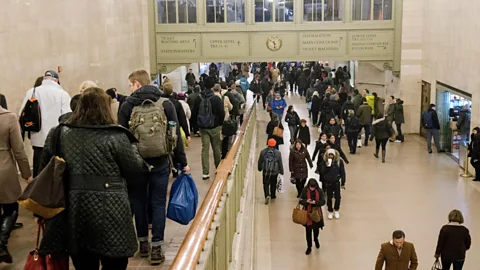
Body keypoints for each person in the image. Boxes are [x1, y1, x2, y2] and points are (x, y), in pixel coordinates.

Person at [39, 87, 147, 269]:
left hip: (74, 210)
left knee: (83, 263)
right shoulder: (117, 135)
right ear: (106, 108)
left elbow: (44, 174)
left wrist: (40, 211)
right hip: (113, 211)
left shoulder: (58, 133)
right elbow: (137, 171)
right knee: (115, 263)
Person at [118, 69, 190, 264]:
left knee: (139, 202)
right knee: (158, 203)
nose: (130, 88)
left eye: (131, 84)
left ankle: (143, 243)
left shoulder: (126, 106)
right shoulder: (165, 103)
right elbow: (174, 137)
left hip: (136, 163)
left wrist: (122, 165)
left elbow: (121, 137)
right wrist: (181, 162)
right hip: (160, 161)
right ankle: (157, 247)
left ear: (138, 84)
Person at [19, 70, 71, 177]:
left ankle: (38, 193)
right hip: (57, 139)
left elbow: (21, 114)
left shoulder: (32, 92)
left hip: (37, 138)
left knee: (39, 172)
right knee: (56, 173)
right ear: (56, 80)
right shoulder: (63, 94)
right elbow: (67, 117)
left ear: (44, 79)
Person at [0, 106, 32, 264]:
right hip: (4, 169)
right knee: (11, 208)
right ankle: (1, 242)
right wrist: (26, 173)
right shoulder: (8, 117)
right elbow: (18, 150)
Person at [192, 77, 225, 180]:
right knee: (216, 148)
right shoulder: (216, 99)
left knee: (205, 149)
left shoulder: (199, 98)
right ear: (212, 86)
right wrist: (219, 124)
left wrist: (196, 127)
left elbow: (194, 113)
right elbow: (222, 113)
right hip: (214, 126)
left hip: (203, 128)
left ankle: (205, 173)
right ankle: (218, 168)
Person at [299, 178, 325, 255]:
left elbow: (323, 201)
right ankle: (309, 247)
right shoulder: (305, 190)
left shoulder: (320, 191)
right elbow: (300, 200)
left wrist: (315, 202)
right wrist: (306, 201)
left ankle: (316, 239)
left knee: (316, 230)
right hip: (307, 213)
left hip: (317, 213)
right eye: (311, 187)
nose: (312, 188)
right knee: (308, 231)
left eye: (313, 187)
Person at [320, 149, 346, 219]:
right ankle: (330, 211)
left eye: (332, 155)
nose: (331, 156)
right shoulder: (324, 162)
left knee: (338, 197)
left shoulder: (339, 162)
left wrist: (343, 182)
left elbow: (342, 172)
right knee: (329, 197)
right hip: (328, 182)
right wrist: (327, 166)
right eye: (329, 155)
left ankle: (336, 210)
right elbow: (322, 172)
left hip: (336, 182)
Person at [258, 139, 284, 205]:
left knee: (266, 184)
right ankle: (273, 195)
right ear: (275, 144)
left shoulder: (263, 152)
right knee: (273, 184)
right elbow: (280, 162)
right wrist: (281, 171)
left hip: (266, 172)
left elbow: (260, 161)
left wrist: (260, 168)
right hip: (274, 172)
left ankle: (266, 195)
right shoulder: (278, 153)